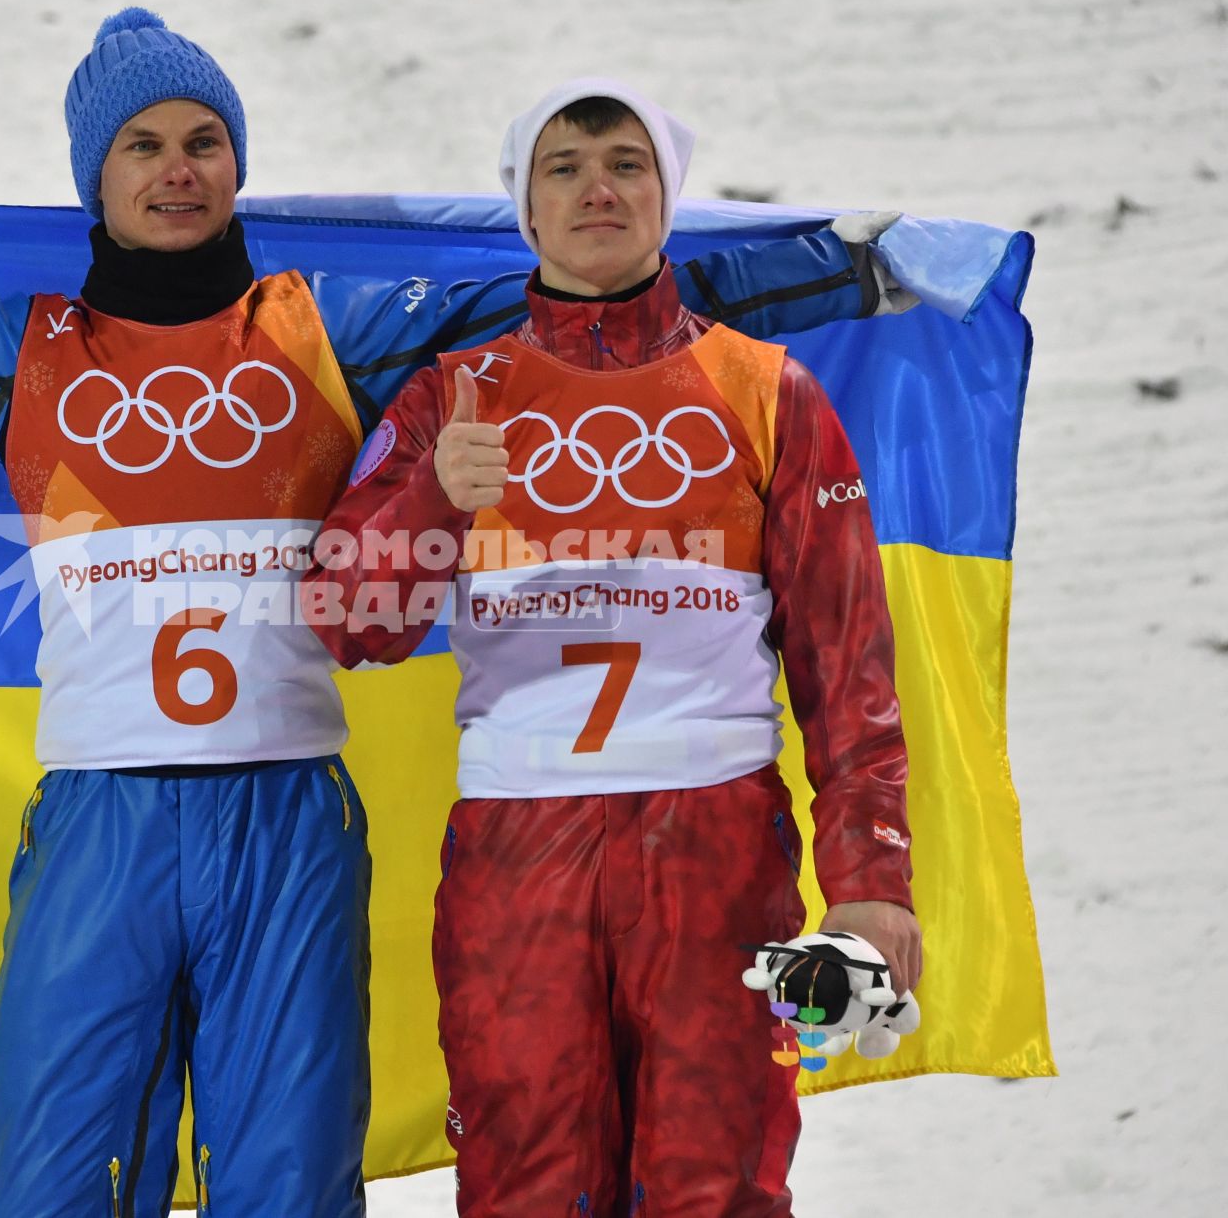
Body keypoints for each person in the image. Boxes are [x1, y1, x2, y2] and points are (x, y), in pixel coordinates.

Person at [0, 12, 913, 1216]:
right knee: (53, 1177)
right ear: (94, 176)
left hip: (289, 823)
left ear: (238, 166)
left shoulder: (334, 327)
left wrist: (840, 264)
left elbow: (596, 294)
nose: (179, 168)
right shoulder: (24, 350)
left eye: (205, 140)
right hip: (106, 817)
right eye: (144, 145)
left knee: (285, 1187)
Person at [300, 78, 923, 1217]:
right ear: (525, 214)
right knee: (527, 1187)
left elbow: (848, 664)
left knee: (716, 1184)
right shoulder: (457, 394)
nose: (599, 187)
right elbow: (351, 624)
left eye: (628, 163)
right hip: (516, 853)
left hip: (718, 849)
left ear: (668, 199)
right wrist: (430, 501)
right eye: (565, 166)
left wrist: (872, 879)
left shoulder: (767, 390)